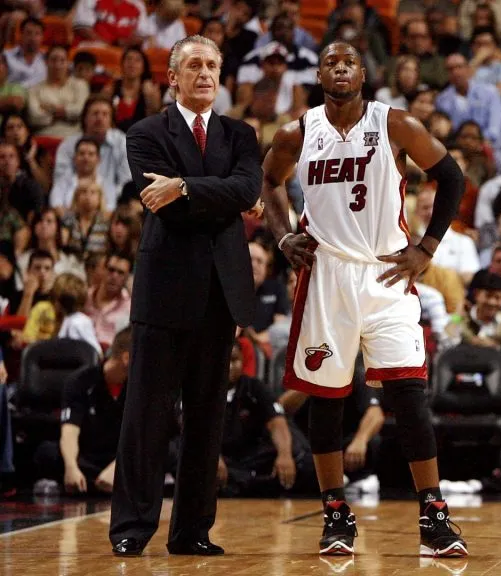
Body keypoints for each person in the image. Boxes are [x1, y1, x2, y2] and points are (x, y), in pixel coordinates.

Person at [261, 41, 467, 557]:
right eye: (331, 61)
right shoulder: (297, 131)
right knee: (326, 399)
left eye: (349, 60)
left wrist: (428, 247)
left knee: (408, 396)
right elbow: (267, 182)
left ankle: (434, 513)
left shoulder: (393, 124)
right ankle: (335, 513)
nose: (340, 68)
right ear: (319, 73)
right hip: (326, 274)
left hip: (387, 273)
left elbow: (452, 177)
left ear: (362, 72)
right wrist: (281, 234)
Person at [110, 35, 264, 558]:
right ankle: (131, 527)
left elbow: (247, 189)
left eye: (213, 65)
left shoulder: (241, 133)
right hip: (164, 291)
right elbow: (164, 206)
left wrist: (186, 187)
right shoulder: (146, 132)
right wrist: (207, 195)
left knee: (206, 417)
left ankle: (192, 530)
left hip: (222, 293)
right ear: (173, 76)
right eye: (194, 65)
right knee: (147, 415)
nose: (205, 73)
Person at [33, 328, 133, 495]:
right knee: (47, 452)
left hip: (122, 458)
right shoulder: (80, 381)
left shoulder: (142, 388)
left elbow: (143, 436)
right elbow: (69, 432)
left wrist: (119, 468)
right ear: (126, 358)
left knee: (167, 450)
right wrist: (71, 466)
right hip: (89, 455)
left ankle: (101, 482)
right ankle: (87, 481)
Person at [217, 342, 314, 497]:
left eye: (234, 360)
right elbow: (190, 430)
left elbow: (277, 421)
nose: (229, 366)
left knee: (302, 458)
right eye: (225, 361)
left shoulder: (254, 387)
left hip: (249, 456)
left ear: (242, 361)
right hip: (216, 455)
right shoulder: (202, 389)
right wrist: (212, 457)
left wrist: (284, 455)